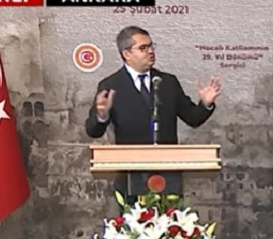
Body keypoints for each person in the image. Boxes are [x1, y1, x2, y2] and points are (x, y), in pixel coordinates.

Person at [86, 26, 222, 202]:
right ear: (126, 54)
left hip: (168, 176)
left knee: (171, 219)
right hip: (130, 176)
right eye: (143, 48)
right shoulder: (111, 85)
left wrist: (206, 103)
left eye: (151, 46)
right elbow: (93, 131)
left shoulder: (168, 83)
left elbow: (193, 118)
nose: (150, 51)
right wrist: (102, 115)